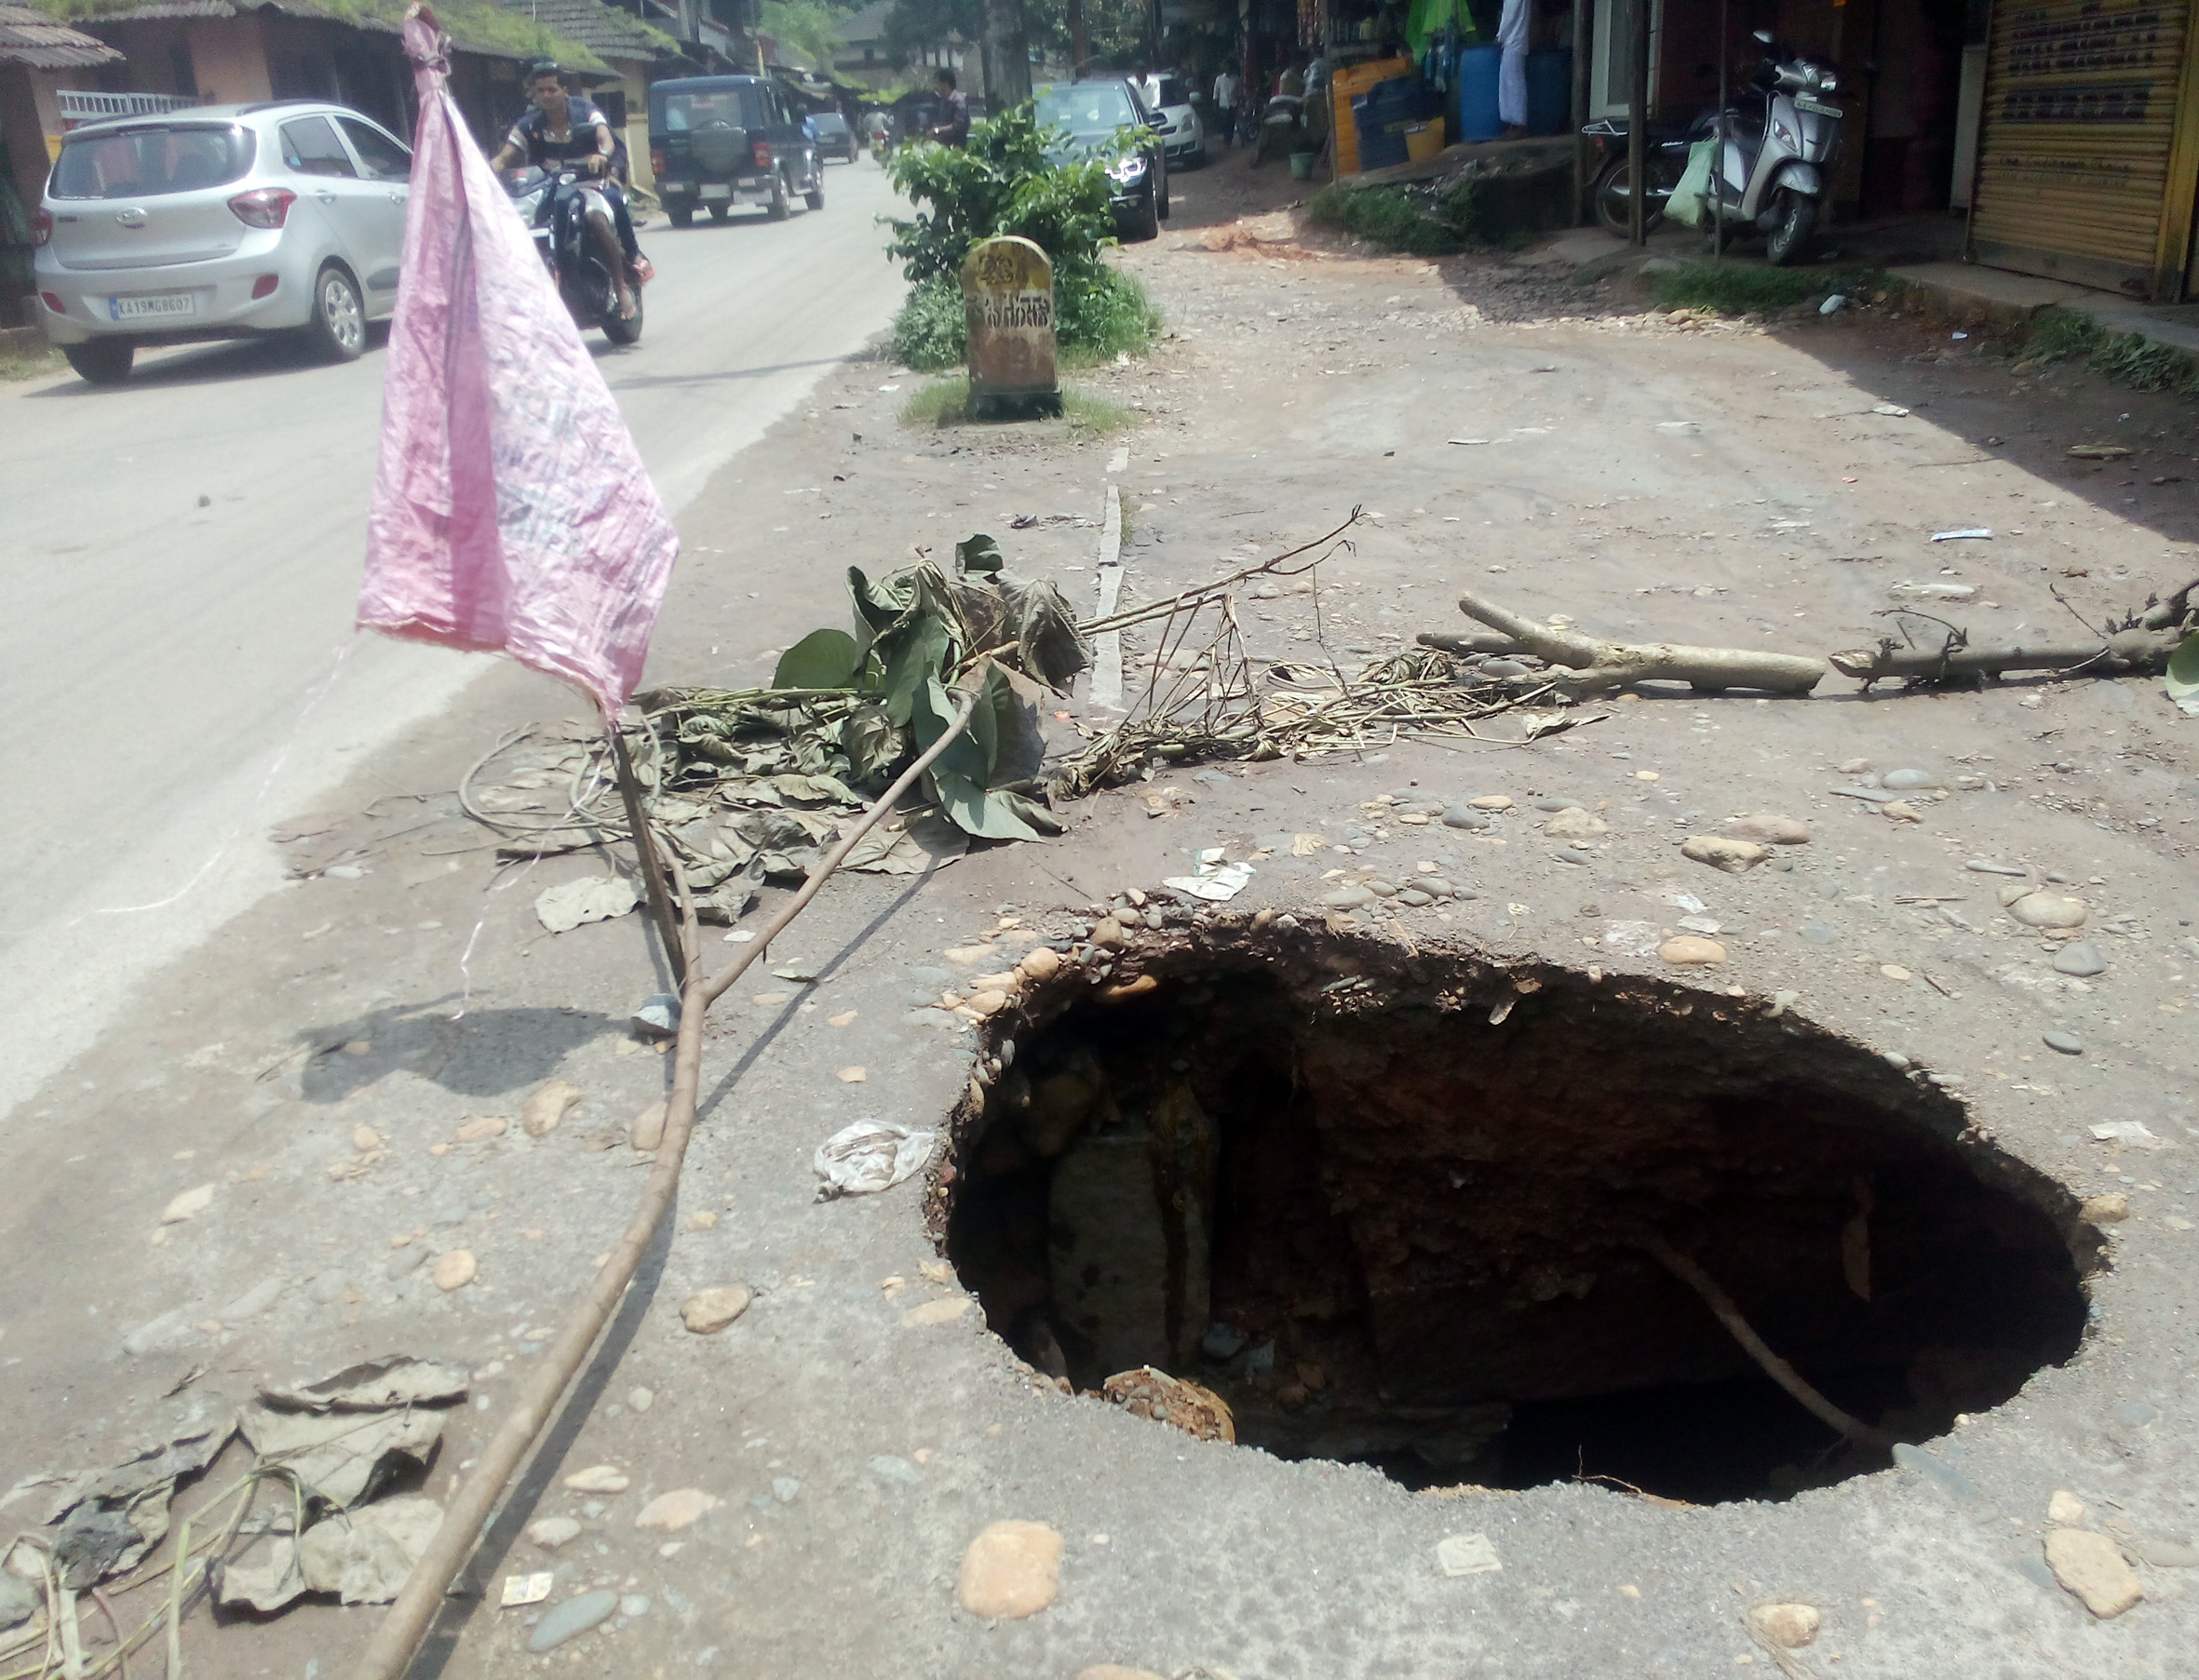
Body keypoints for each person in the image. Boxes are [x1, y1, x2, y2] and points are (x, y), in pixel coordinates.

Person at [492, 61, 640, 319]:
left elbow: (605, 138)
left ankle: (621, 286)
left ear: (564, 90)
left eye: (552, 89)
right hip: (549, 190)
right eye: (541, 91)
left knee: (596, 219)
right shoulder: (529, 124)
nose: (546, 96)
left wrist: (601, 155)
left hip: (588, 185)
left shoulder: (586, 112)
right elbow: (505, 156)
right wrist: (490, 167)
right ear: (534, 95)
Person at [1497, 0, 1531, 138]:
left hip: (1512, 40)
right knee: (1510, 84)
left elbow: (1509, 17)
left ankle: (1518, 125)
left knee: (1513, 85)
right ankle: (1513, 124)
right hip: (1516, 40)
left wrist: (1500, 36)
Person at [926, 68, 969, 146]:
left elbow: (958, 126)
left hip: (956, 151)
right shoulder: (943, 101)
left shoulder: (958, 101)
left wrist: (937, 130)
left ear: (945, 83)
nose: (935, 86)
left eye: (937, 82)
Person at [1210, 65, 1239, 148]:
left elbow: (1238, 91)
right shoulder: (1219, 79)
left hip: (1233, 104)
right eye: (1227, 68)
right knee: (1225, 124)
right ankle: (1226, 141)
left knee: (1232, 123)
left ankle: (1229, 140)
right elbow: (1216, 92)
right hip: (1223, 105)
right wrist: (1215, 105)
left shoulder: (1236, 79)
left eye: (1230, 68)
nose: (1228, 70)